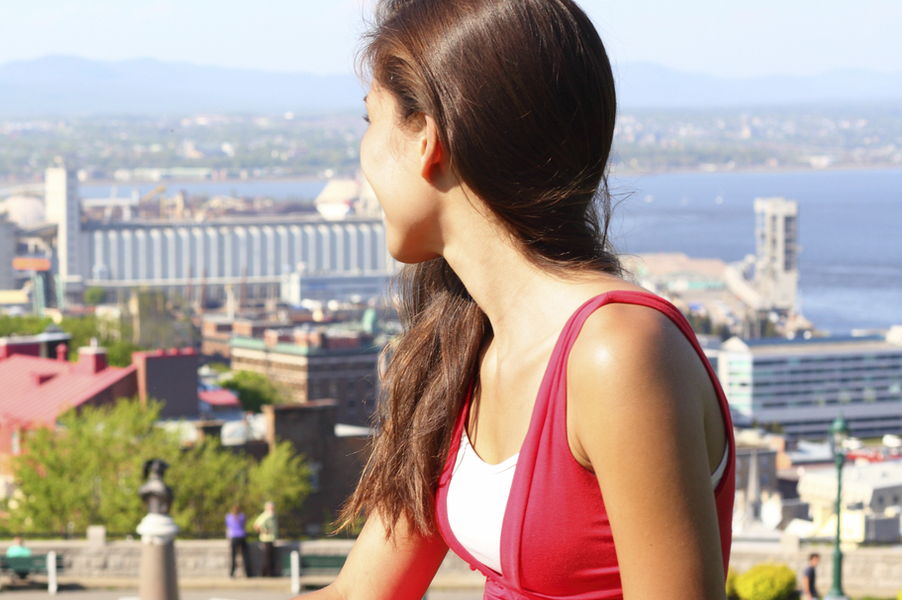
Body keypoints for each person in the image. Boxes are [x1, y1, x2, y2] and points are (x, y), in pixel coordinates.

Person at [304, 1, 735, 598]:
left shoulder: (617, 354)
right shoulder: (461, 343)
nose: (364, 156)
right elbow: (360, 594)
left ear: (427, 137)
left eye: (369, 121)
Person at [254, 502, 279, 577]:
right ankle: (262, 573)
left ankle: (270, 573)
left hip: (271, 539)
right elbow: (256, 525)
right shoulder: (265, 516)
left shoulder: (273, 516)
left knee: (271, 557)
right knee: (266, 558)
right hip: (266, 539)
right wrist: (263, 532)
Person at [226, 506, 250, 578]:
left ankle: (232, 573)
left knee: (233, 556)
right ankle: (248, 573)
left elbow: (228, 527)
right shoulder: (242, 516)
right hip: (242, 536)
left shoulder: (229, 517)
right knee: (245, 556)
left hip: (234, 537)